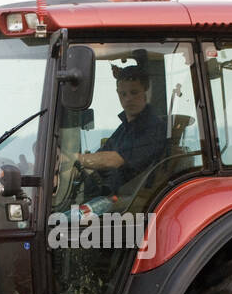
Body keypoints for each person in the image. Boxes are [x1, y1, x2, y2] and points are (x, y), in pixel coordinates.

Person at [67, 64, 167, 198]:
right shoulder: (125, 128)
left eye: (134, 92)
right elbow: (103, 155)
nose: (128, 98)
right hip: (110, 196)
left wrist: (73, 158)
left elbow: (115, 159)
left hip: (132, 203)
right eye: (123, 94)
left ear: (146, 91)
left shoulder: (153, 127)